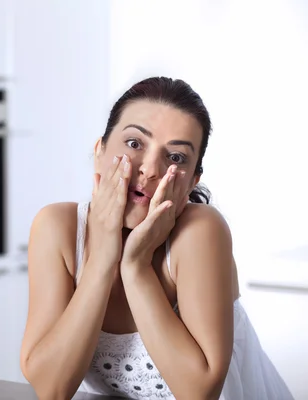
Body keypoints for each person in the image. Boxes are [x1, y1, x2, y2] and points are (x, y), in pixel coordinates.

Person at [19, 77, 294, 400]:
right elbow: (51, 389)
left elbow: (199, 392)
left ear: (192, 181)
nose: (150, 169)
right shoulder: (57, 228)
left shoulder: (200, 231)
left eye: (175, 157)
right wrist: (104, 258)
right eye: (134, 144)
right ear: (100, 150)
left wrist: (135, 266)